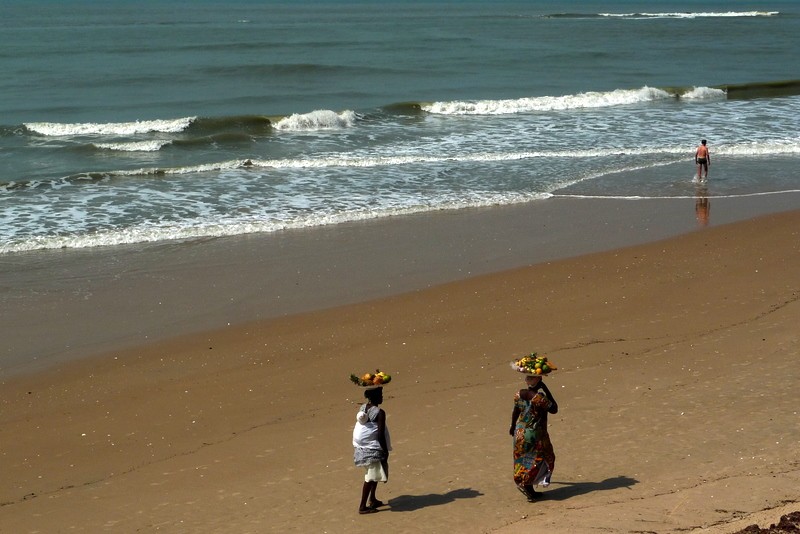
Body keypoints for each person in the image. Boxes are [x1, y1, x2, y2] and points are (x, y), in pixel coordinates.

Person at [509, 374, 558, 502]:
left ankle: (525, 485)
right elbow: (554, 408)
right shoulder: (539, 398)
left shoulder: (519, 394)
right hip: (534, 432)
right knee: (545, 458)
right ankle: (528, 485)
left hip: (519, 431)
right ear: (539, 380)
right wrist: (546, 389)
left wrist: (512, 426)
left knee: (522, 460)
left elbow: (516, 411)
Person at [353, 386, 391, 514]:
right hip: (372, 449)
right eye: (380, 395)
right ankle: (362, 506)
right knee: (370, 477)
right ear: (374, 397)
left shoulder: (363, 408)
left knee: (373, 474)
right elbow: (380, 435)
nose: (382, 397)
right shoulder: (380, 413)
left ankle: (372, 499)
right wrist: (385, 450)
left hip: (361, 448)